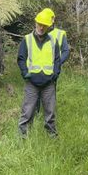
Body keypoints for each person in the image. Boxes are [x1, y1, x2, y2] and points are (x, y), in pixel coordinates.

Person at [17, 9, 61, 137]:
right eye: (39, 24)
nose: (41, 27)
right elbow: (21, 58)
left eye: (44, 25)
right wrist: (25, 73)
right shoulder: (27, 39)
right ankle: (22, 135)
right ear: (35, 23)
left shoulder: (53, 41)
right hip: (32, 83)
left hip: (49, 83)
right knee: (27, 110)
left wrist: (55, 75)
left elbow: (57, 60)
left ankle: (51, 134)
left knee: (50, 111)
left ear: (48, 26)